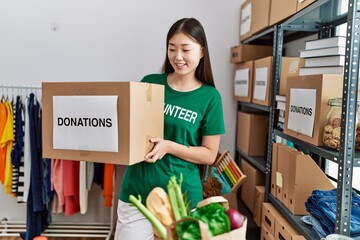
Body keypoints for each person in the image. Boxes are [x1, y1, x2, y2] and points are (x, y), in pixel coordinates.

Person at [114, 17, 225, 240]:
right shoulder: (150, 82)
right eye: (172, 48)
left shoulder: (210, 97)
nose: (178, 57)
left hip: (182, 199)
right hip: (137, 191)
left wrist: (170, 146)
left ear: (202, 52)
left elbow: (209, 154)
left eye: (186, 49)